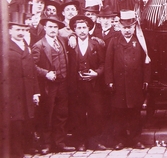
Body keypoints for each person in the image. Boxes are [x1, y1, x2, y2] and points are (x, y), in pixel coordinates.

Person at [104, 10, 151, 150]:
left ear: (134, 26)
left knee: (134, 113)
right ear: (120, 27)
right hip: (118, 85)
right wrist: (109, 81)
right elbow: (108, 63)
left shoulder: (140, 41)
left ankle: (136, 139)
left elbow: (147, 62)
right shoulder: (114, 41)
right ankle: (121, 140)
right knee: (119, 113)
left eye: (130, 27)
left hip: (135, 84)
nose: (127, 31)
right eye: (124, 28)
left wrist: (146, 80)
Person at [32, 15, 75, 154]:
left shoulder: (62, 40)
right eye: (50, 26)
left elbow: (72, 32)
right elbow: (32, 66)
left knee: (61, 113)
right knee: (47, 114)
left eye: (55, 27)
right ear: (44, 28)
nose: (53, 29)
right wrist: (46, 73)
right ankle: (46, 144)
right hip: (48, 85)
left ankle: (59, 143)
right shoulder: (39, 45)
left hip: (62, 83)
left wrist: (73, 35)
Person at [67, 15, 106, 151]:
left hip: (93, 85)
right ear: (74, 30)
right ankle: (80, 142)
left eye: (84, 28)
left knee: (96, 112)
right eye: (79, 28)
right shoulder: (70, 44)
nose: (82, 31)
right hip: (76, 85)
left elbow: (103, 64)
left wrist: (96, 73)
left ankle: (94, 141)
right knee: (78, 113)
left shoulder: (96, 44)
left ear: (89, 29)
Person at [8, 13, 40, 157]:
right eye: (17, 30)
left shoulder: (26, 46)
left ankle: (28, 148)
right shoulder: (5, 48)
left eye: (23, 30)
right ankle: (17, 152)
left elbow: (32, 70)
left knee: (28, 119)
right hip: (13, 92)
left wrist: (35, 91)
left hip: (27, 91)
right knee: (16, 122)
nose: (21, 33)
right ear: (10, 31)